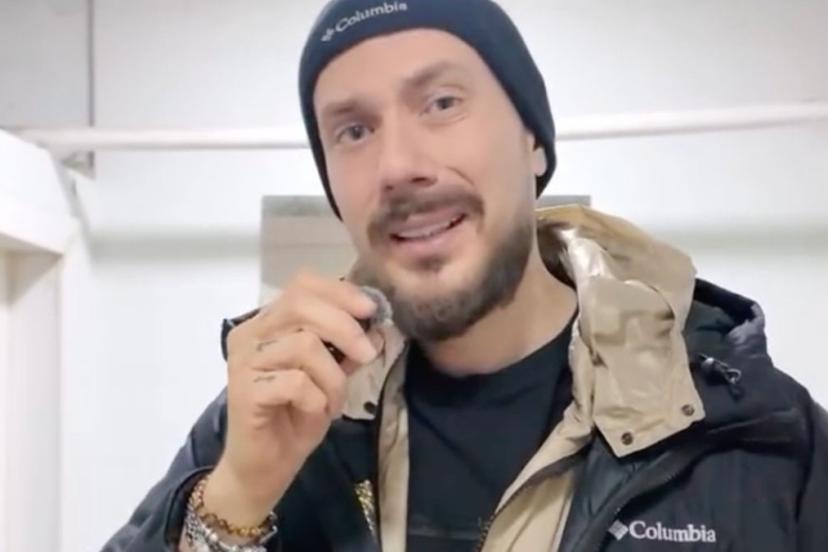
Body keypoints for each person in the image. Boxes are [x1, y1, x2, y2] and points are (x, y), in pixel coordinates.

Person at [103, 0, 828, 550]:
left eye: (442, 103)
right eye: (353, 131)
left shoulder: (752, 433)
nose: (397, 166)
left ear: (533, 141)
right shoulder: (275, 414)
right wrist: (233, 501)